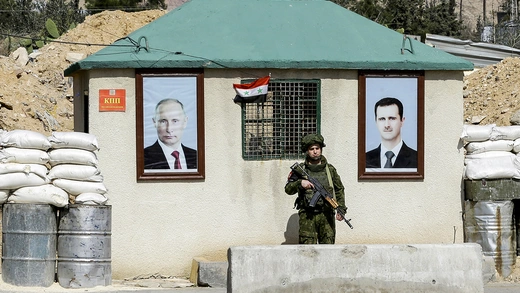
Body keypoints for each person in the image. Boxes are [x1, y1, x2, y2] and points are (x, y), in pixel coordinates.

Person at [284, 134, 346, 244]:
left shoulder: (330, 170)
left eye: (317, 148)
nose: (315, 151)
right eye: (311, 149)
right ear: (307, 151)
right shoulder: (300, 170)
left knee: (328, 250)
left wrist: (341, 209)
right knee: (307, 252)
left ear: (321, 149)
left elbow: (339, 189)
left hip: (327, 216)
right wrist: (300, 182)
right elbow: (288, 189)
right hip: (308, 217)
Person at [144, 98, 197, 170]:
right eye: (163, 121)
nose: (169, 129)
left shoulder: (196, 156)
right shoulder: (143, 157)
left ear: (185, 122)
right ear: (154, 123)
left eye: (175, 121)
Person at [366, 97, 417, 169]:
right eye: (382, 119)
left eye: (392, 118)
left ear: (402, 121)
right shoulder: (364, 160)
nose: (387, 125)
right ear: (376, 122)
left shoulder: (417, 159)